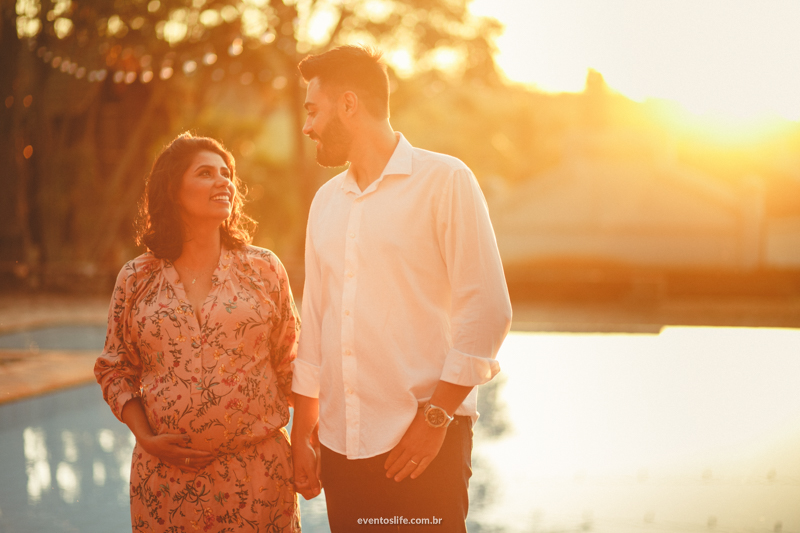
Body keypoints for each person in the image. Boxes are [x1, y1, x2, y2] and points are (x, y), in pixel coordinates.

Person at [290, 46, 512, 532]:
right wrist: (301, 434)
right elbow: (316, 323)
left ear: (349, 104)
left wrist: (435, 421)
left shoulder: (445, 180)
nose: (307, 127)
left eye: (313, 110)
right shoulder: (325, 202)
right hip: (341, 450)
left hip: (424, 448)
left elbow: (487, 310)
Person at [95, 133, 301, 533]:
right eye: (206, 173)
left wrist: (310, 442)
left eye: (227, 174)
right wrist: (146, 437)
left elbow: (294, 364)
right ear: (173, 189)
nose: (223, 181)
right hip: (165, 483)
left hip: (257, 479)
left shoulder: (263, 270)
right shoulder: (136, 278)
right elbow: (115, 369)